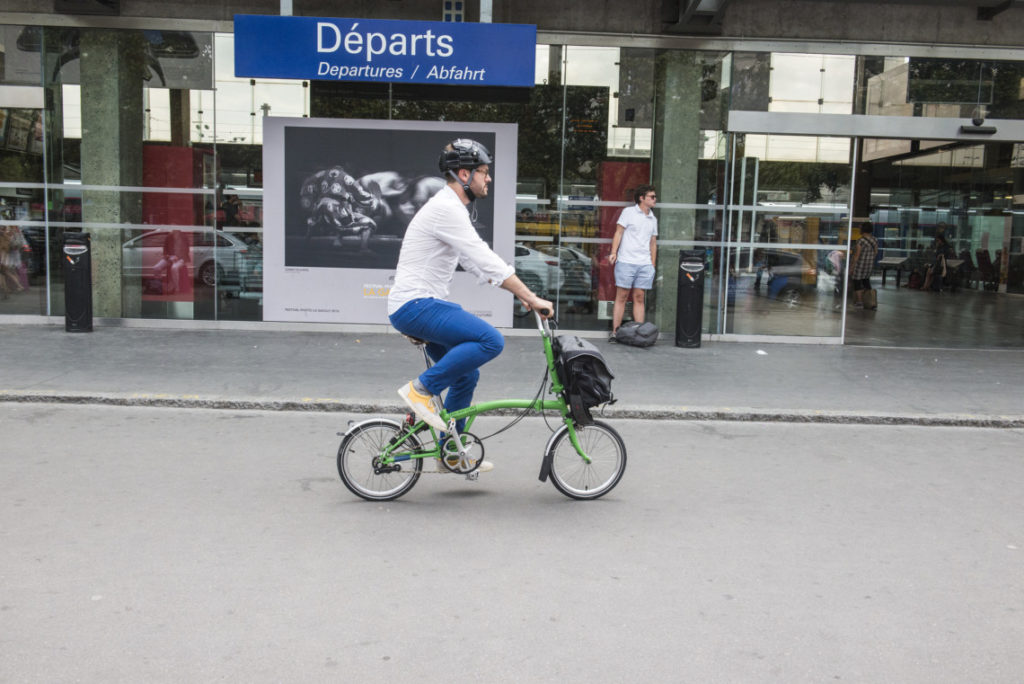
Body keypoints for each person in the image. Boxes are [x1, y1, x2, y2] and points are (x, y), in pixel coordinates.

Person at [388, 138, 552, 471]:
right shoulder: (446, 208)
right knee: (491, 340)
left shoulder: (450, 209)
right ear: (464, 174)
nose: (488, 179)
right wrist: (532, 297)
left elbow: (475, 264)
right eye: (484, 172)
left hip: (417, 305)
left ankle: (450, 453)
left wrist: (521, 295)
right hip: (416, 305)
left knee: (466, 375)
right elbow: (484, 257)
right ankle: (421, 390)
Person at [609, 184, 658, 339]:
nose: (655, 199)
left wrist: (652, 264)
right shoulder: (628, 212)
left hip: (644, 264)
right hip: (626, 261)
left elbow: (653, 243)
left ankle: (639, 334)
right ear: (642, 198)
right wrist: (614, 252)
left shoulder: (653, 218)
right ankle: (615, 332)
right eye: (652, 196)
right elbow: (618, 233)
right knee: (622, 296)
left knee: (639, 297)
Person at [850, 221, 878, 309]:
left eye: (860, 228)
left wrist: (852, 267)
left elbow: (856, 256)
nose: (859, 229)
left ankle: (860, 302)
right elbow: (876, 252)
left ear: (863, 229)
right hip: (869, 265)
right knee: (866, 281)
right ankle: (870, 300)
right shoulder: (874, 239)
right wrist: (869, 259)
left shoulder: (860, 241)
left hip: (860, 265)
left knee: (857, 282)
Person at [0, 225, 27, 298]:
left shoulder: (5, 236)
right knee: (5, 274)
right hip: (5, 258)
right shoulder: (7, 236)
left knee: (7, 273)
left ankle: (17, 286)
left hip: (4, 258)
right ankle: (6, 290)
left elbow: (4, 248)